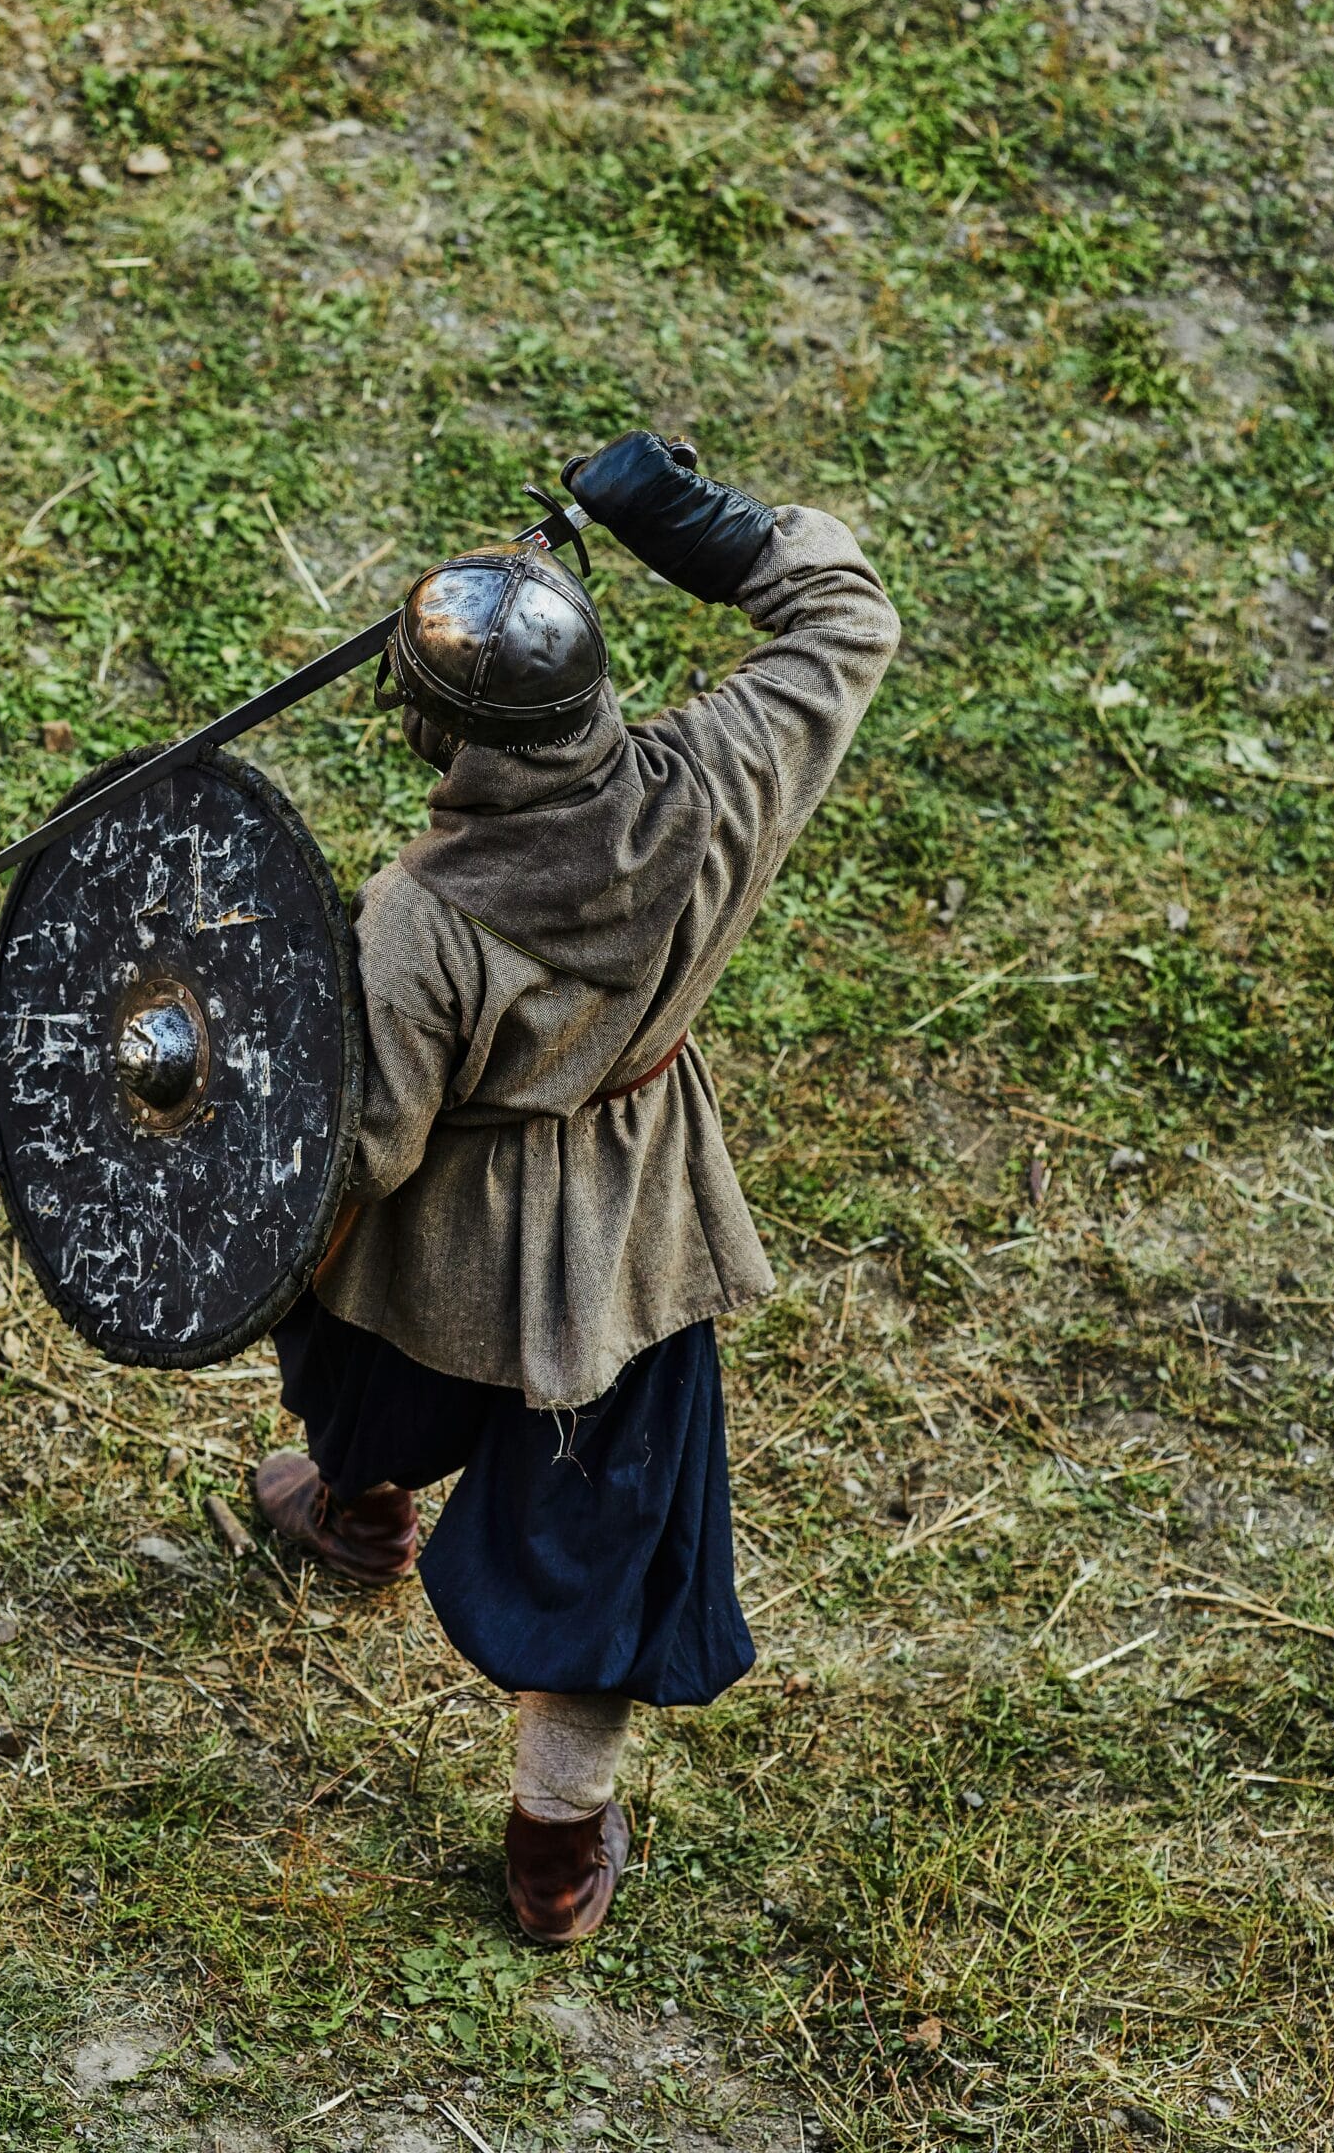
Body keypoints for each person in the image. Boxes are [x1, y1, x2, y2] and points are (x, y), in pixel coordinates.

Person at [253, 431, 900, 1942]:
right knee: (598, 1501)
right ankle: (554, 1839)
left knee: (377, 1352)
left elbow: (366, 1153)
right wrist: (690, 520)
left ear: (438, 734)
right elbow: (845, 612)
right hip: (635, 1229)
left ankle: (365, 1520)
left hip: (449, 1237)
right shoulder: (726, 774)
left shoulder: (419, 924)